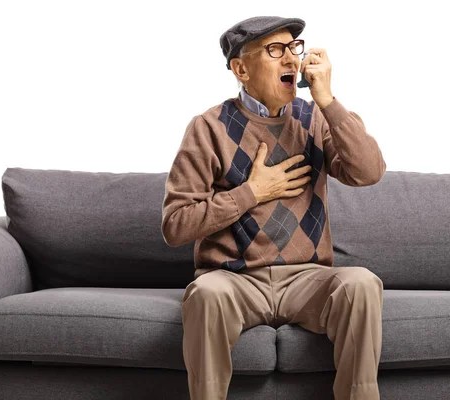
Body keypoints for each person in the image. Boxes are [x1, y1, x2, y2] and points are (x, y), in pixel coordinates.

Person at [161, 15, 387, 400]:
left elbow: (368, 172)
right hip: (235, 281)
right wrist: (252, 192)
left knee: (361, 284)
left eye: (293, 48)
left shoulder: (315, 117)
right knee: (205, 295)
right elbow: (176, 225)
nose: (292, 60)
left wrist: (329, 102)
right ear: (241, 68)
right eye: (275, 50)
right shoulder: (208, 127)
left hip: (307, 280)